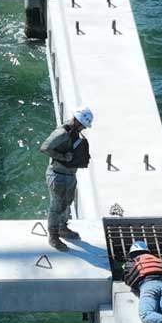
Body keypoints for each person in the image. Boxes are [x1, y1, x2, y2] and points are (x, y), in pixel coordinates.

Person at [39, 107, 93, 250]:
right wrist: (63, 157)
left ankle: (63, 228)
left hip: (69, 175)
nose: (83, 128)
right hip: (58, 175)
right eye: (82, 125)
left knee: (67, 203)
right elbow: (44, 148)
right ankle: (53, 236)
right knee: (56, 207)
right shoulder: (62, 133)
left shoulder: (74, 132)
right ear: (77, 121)